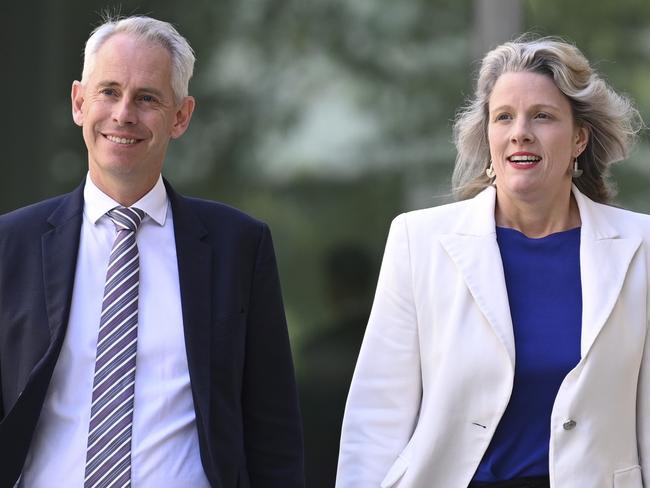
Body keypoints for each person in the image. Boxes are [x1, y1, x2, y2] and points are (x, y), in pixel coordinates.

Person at [0, 15, 304, 488]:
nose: (124, 114)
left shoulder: (238, 247)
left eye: (147, 98)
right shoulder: (10, 245)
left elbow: (273, 429)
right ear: (79, 102)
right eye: (109, 92)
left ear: (180, 116)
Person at [336, 35, 649, 488]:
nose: (520, 131)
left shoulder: (639, 246)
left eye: (542, 116)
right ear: (488, 135)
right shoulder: (418, 240)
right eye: (504, 117)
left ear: (579, 138)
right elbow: (377, 416)